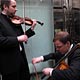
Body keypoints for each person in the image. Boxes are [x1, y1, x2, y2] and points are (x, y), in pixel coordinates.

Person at [0, 0, 37, 80]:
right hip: (9, 65)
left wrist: (32, 28)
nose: (16, 9)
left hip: (21, 59)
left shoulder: (14, 20)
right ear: (5, 7)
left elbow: (23, 37)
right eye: (13, 6)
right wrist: (17, 39)